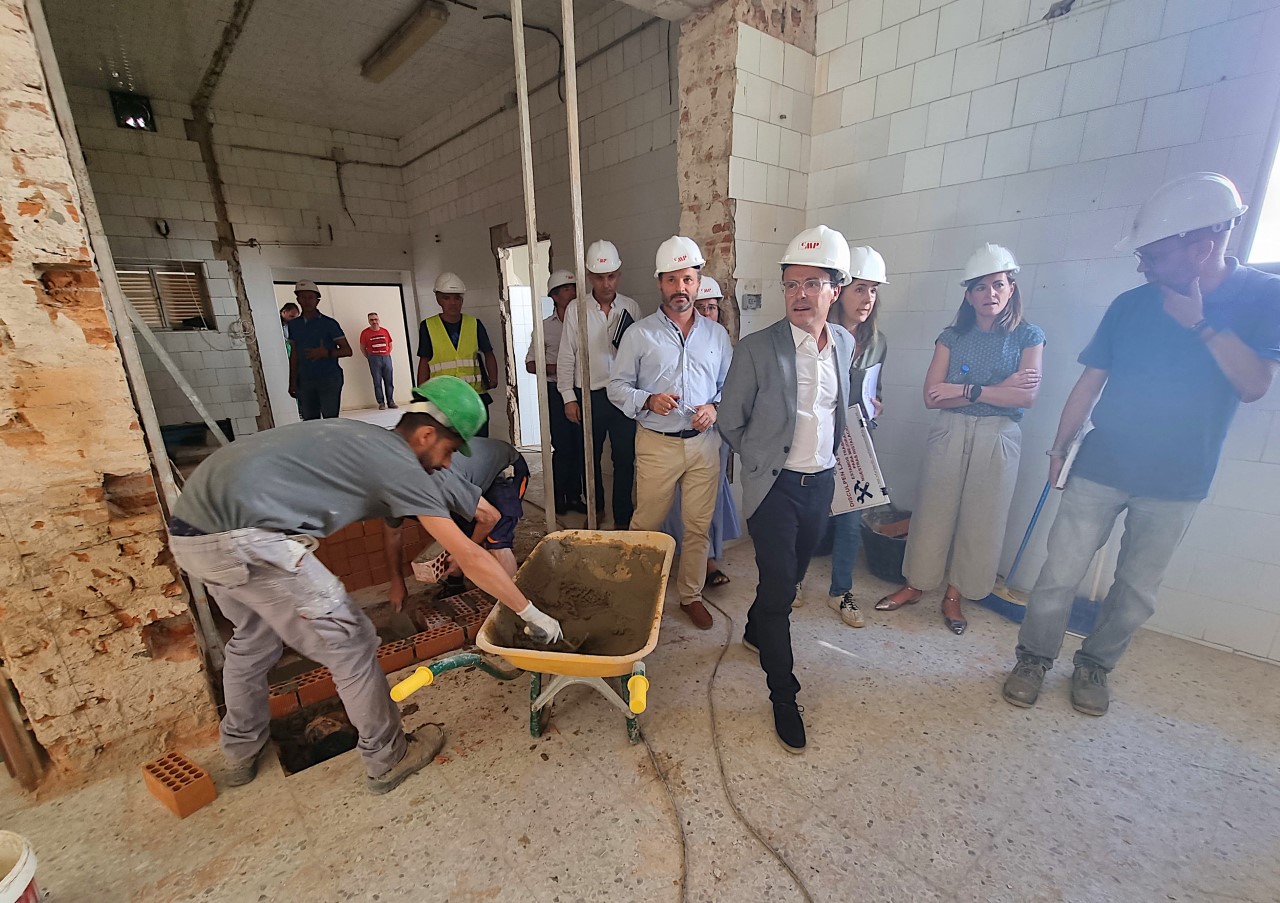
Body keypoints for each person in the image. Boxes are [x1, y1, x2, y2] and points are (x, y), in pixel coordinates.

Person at [166, 376, 564, 795]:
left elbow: (481, 513)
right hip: (249, 539)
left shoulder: (372, 441)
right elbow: (469, 556)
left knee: (253, 638)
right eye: (448, 451)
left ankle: (240, 752)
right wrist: (529, 613)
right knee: (352, 644)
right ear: (426, 435)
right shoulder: (402, 466)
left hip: (191, 535)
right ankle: (388, 758)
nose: (449, 463)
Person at [1003, 172, 1280, 716]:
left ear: (1203, 248)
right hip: (1101, 465)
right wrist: (1059, 447)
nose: (1141, 266)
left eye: (1152, 255)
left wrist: (1199, 322)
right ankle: (1034, 657)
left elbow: (1253, 386)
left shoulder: (1262, 297)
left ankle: (1095, 667)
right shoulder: (1130, 305)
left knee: (1134, 592)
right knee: (1059, 575)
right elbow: (1091, 380)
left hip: (1178, 480)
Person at [719, 225, 856, 755]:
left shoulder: (843, 343)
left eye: (812, 284)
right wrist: (760, 464)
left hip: (820, 483)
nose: (800, 295)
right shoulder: (757, 348)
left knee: (792, 576)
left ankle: (754, 626)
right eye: (791, 284)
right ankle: (784, 695)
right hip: (773, 488)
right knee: (782, 591)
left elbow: (835, 410)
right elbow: (730, 421)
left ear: (834, 290)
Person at [876, 244, 1044, 635]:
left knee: (982, 519)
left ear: (1012, 287)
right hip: (951, 429)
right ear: (968, 295)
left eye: (998, 285)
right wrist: (994, 387)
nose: (991, 295)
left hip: (998, 435)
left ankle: (956, 594)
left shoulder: (1028, 337)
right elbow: (932, 394)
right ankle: (916, 584)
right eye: (981, 288)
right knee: (933, 511)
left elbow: (1026, 397)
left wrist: (967, 390)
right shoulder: (952, 336)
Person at [609, 238, 732, 630]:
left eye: (688, 280)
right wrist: (647, 400)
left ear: (698, 283)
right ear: (660, 283)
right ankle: (638, 595)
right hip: (657, 444)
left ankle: (691, 595)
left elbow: (730, 386)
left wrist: (714, 407)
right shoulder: (639, 334)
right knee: (648, 523)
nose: (681, 288)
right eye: (672, 280)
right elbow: (617, 387)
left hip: (703, 446)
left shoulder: (716, 336)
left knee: (698, 526)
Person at [660, 276, 743, 588]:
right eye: (702, 307)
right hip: (675, 434)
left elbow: (732, 387)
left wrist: (716, 408)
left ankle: (708, 558)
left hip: (713, 433)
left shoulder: (721, 341)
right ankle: (683, 555)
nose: (708, 313)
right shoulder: (673, 338)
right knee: (677, 497)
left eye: (713, 308)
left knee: (712, 495)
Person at [822, 247, 889, 629]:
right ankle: (794, 582)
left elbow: (879, 389)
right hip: (818, 436)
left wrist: (878, 404)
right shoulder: (817, 334)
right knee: (811, 517)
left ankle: (840, 592)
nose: (867, 299)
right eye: (860, 289)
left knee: (850, 520)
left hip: (857, 440)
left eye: (873, 291)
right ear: (840, 291)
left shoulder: (878, 341)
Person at [385, 433, 531, 605]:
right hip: (467, 479)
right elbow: (392, 536)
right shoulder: (391, 496)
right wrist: (397, 580)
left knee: (496, 540)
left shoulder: (440, 484)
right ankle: (455, 585)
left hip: (502, 468)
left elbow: (490, 517)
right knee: (452, 531)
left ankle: (513, 608)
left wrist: (463, 555)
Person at [557, 240, 641, 528]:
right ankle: (596, 511)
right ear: (590, 277)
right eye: (600, 277)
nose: (606, 283)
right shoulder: (576, 310)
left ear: (618, 274)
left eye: (612, 276)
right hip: (589, 397)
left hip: (623, 397)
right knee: (588, 460)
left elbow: (641, 356)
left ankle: (622, 519)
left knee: (624, 460)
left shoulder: (631, 307)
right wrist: (569, 397)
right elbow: (567, 356)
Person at [525, 269, 586, 515]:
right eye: (565, 290)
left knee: (581, 446)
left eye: (573, 289)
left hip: (581, 391)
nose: (571, 293)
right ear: (554, 296)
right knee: (563, 447)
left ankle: (575, 497)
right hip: (555, 391)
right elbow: (530, 364)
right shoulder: (544, 329)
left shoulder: (586, 323)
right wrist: (558, 367)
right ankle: (559, 496)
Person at [417, 272, 498, 437]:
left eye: (456, 298)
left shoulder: (474, 324)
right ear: (438, 300)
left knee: (478, 443)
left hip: (474, 397)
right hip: (444, 400)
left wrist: (493, 377)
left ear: (462, 300)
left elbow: (489, 353)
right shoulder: (428, 326)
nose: (452, 303)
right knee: (448, 443)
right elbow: (424, 360)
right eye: (446, 298)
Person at [288, 280, 352, 420]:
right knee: (310, 421)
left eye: (310, 297)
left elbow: (347, 350)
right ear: (298, 299)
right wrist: (292, 381)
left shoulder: (329, 324)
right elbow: (294, 354)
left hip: (329, 378)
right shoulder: (294, 325)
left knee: (330, 419)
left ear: (317, 300)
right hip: (305, 380)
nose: (307, 301)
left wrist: (326, 353)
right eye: (303, 297)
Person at [360, 312, 397, 410]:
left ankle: (391, 401)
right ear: (368, 321)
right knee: (377, 382)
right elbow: (362, 347)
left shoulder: (385, 331)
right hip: (374, 358)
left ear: (379, 320)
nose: (374, 322)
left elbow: (390, 344)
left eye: (375, 319)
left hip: (386, 358)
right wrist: (369, 357)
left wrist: (387, 353)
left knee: (389, 381)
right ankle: (381, 402)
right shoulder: (365, 333)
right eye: (371, 320)